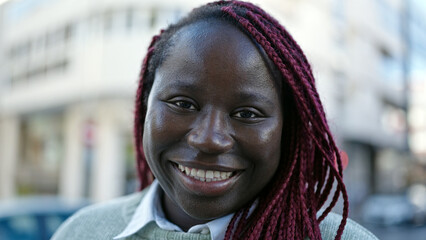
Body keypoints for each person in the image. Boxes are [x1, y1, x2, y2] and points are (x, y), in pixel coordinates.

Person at [52, 1, 379, 239]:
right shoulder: (81, 232)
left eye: (247, 114)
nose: (209, 139)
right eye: (182, 103)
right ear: (145, 105)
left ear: (286, 130)